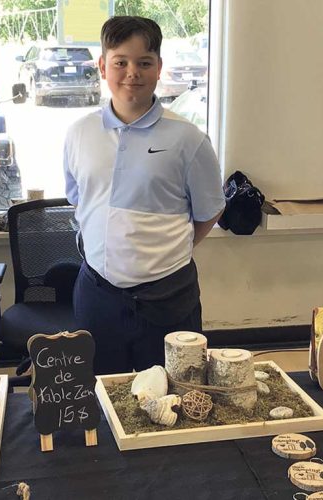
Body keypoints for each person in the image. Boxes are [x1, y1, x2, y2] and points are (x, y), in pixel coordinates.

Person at [63, 16, 225, 374]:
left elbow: (209, 212)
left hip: (168, 300)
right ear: (103, 66)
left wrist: (166, 251)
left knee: (174, 398)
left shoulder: (189, 139)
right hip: (97, 295)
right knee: (100, 395)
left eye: (144, 62)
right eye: (120, 62)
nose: (131, 73)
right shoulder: (79, 134)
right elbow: (81, 200)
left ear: (159, 68)